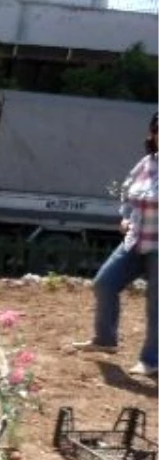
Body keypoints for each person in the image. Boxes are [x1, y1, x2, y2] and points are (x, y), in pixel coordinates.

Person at [71, 111, 159, 377]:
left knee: (156, 304)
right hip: (135, 241)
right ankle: (105, 339)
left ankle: (151, 360)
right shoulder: (146, 163)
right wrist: (125, 217)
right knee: (104, 283)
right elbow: (127, 191)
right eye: (157, 129)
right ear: (152, 134)